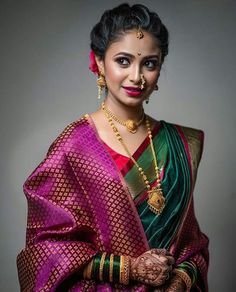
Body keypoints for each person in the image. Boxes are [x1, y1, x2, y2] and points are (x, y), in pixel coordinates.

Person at [17, 3, 209, 291]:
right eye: (123, 61)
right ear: (99, 62)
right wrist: (129, 268)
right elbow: (46, 250)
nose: (136, 76)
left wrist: (181, 279)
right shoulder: (74, 146)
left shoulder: (182, 143)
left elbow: (191, 245)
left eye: (149, 63)